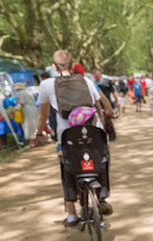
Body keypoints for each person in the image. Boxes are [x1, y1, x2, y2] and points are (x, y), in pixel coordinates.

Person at [35, 49, 113, 227]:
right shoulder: (86, 81)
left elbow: (43, 115)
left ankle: (71, 215)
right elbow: (98, 104)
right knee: (101, 160)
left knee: (67, 168)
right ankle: (101, 197)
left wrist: (38, 134)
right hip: (93, 131)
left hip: (67, 134)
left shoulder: (47, 85)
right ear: (72, 65)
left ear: (54, 67)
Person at [15, 82, 38, 147]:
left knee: (28, 125)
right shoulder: (28, 92)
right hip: (33, 108)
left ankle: (31, 143)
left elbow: (22, 103)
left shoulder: (20, 93)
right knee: (34, 124)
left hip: (27, 110)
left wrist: (15, 108)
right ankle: (35, 141)